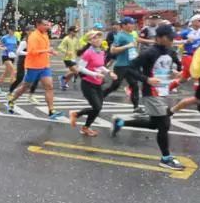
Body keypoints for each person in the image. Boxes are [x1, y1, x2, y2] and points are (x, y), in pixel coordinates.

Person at [111, 24, 188, 169]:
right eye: (168, 37)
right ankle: (165, 158)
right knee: (164, 124)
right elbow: (129, 69)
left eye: (172, 37)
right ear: (159, 38)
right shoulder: (149, 52)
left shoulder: (170, 52)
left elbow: (173, 67)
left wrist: (176, 73)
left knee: (154, 124)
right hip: (151, 92)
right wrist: (147, 80)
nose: (171, 40)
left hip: (164, 90)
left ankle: (121, 122)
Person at [7, 18, 62, 120]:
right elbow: (32, 52)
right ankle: (11, 101)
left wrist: (51, 52)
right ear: (38, 25)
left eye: (48, 25)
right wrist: (47, 50)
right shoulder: (33, 37)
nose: (47, 27)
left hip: (45, 65)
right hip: (33, 66)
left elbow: (45, 49)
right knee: (25, 87)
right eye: (45, 25)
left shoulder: (45, 35)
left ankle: (51, 111)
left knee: (49, 86)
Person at [68, 31, 117, 136]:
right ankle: (76, 114)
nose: (97, 39)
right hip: (88, 84)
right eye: (94, 38)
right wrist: (94, 74)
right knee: (97, 107)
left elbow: (100, 66)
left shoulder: (100, 51)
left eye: (99, 37)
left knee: (97, 108)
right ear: (90, 41)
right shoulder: (88, 53)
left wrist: (109, 72)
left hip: (97, 83)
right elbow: (80, 68)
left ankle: (85, 128)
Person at [104, 17, 143, 113]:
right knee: (115, 86)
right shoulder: (120, 36)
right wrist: (127, 46)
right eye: (131, 23)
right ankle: (100, 96)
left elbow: (132, 49)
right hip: (121, 65)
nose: (133, 25)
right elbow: (112, 50)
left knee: (134, 85)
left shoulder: (131, 35)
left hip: (131, 65)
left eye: (133, 23)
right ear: (124, 25)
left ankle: (136, 107)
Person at [57, 26, 79, 91]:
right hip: (67, 58)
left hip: (74, 57)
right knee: (76, 71)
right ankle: (62, 77)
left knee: (72, 72)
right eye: (74, 31)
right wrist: (66, 52)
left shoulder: (75, 39)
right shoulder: (66, 39)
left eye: (76, 32)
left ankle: (63, 84)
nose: (76, 33)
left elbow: (77, 47)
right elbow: (60, 47)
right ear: (70, 31)